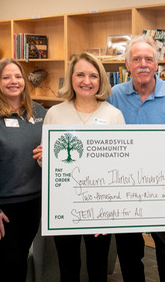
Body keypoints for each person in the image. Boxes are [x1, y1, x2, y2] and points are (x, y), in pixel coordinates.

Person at [33, 52, 124, 282]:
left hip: (99, 206)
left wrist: (110, 213)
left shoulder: (114, 115)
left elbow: (121, 166)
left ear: (101, 80)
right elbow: (47, 164)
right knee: (68, 267)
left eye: (93, 76)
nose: (87, 81)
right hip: (65, 203)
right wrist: (42, 157)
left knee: (98, 267)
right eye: (80, 74)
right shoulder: (54, 113)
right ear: (71, 78)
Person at [108, 35, 165, 282]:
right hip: (125, 188)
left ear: (156, 65)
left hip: (163, 188)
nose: (143, 64)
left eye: (148, 59)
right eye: (137, 59)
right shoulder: (114, 95)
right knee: (129, 254)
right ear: (127, 65)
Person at [0, 58, 47, 282]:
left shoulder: (41, 112)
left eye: (17, 76)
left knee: (20, 261)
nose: (13, 81)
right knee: (9, 264)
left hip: (34, 202)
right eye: (6, 77)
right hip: (2, 207)